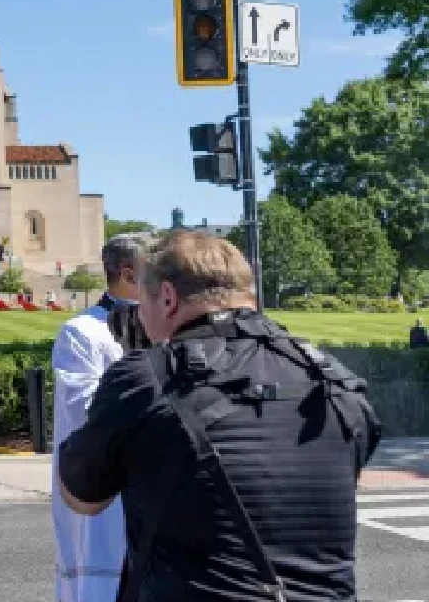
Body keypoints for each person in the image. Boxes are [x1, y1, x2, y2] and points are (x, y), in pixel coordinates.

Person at [59, 232, 383, 602]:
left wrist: (130, 383)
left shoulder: (146, 379)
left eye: (141, 305)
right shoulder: (331, 379)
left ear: (167, 298)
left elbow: (82, 496)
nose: (138, 317)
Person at [51, 235, 147, 602]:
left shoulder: (164, 326)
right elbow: (84, 414)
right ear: (128, 274)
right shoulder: (84, 332)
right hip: (104, 492)